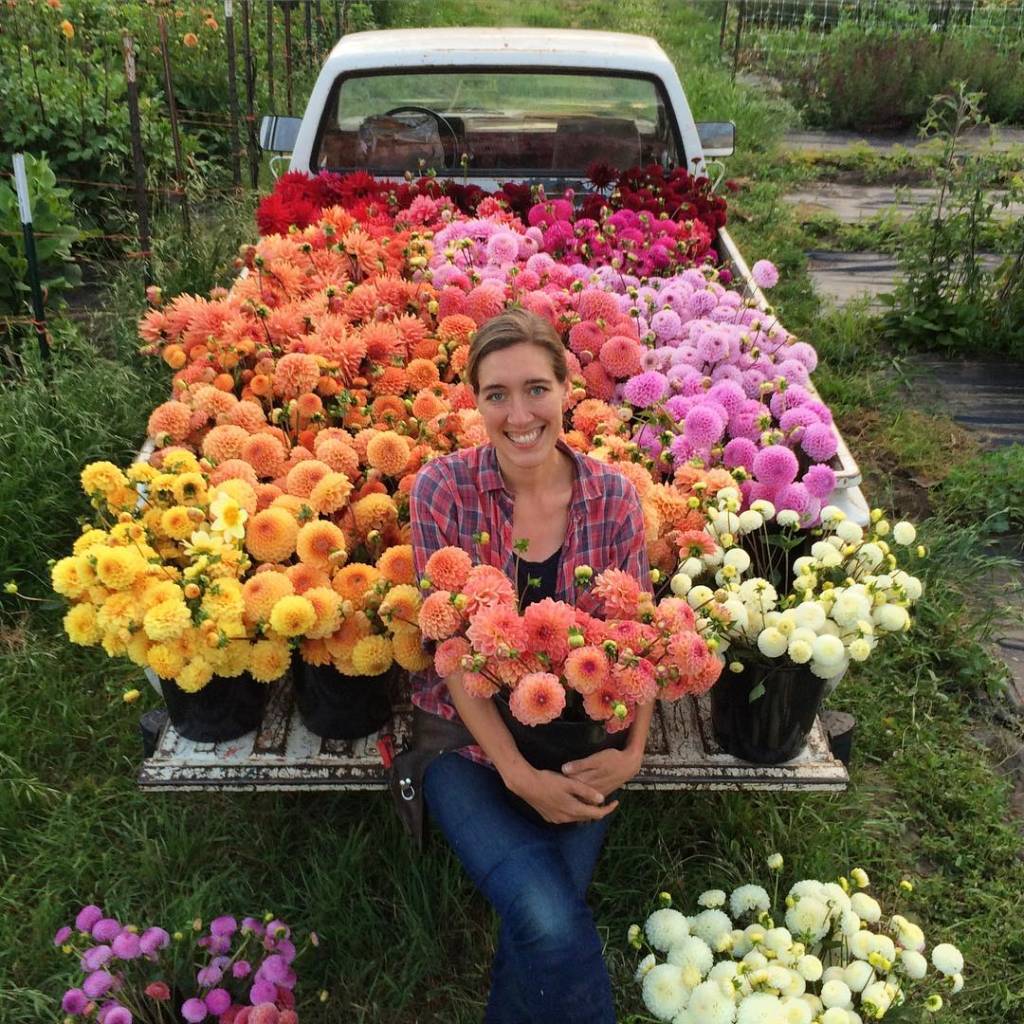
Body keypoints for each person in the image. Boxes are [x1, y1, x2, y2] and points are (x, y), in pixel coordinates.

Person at [409, 308, 654, 1024]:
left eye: (536, 388)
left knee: (543, 925)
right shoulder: (442, 490)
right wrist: (518, 774)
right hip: (464, 741)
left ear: (568, 389)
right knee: (549, 922)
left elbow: (635, 642)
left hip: (580, 746)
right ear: (476, 401)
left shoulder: (612, 497)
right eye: (496, 394)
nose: (519, 413)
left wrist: (632, 754)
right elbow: (451, 653)